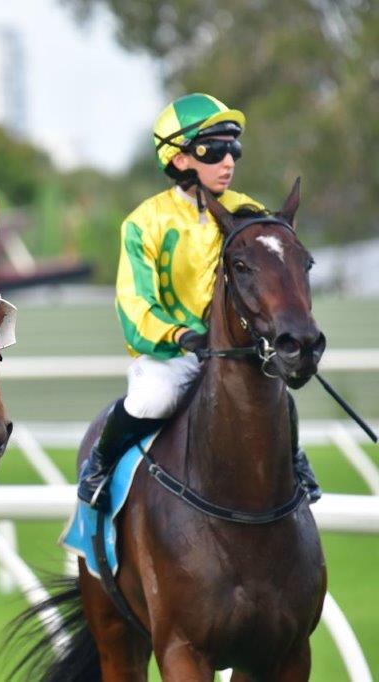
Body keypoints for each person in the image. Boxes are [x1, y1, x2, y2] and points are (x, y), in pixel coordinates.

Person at [77, 93, 321, 510]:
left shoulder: (248, 212)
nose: (228, 162)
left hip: (237, 348)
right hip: (174, 353)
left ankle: (294, 460)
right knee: (152, 398)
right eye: (214, 150)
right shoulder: (144, 222)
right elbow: (135, 305)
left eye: (234, 149)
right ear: (179, 158)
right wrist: (181, 335)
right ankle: (100, 464)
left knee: (276, 389)